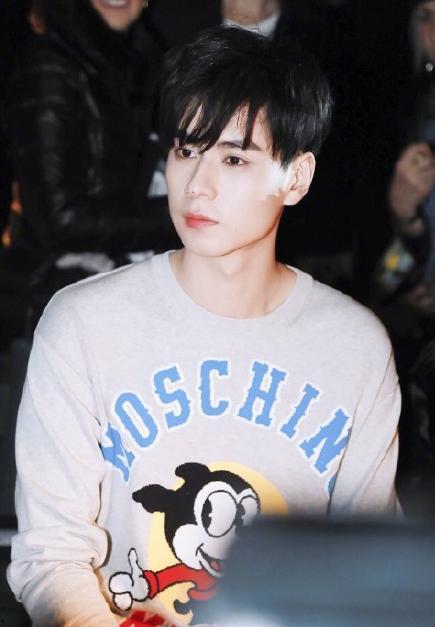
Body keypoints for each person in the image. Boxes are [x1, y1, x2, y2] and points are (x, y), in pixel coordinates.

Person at [8, 26, 400, 626]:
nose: (197, 185)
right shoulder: (83, 324)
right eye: (186, 151)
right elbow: (51, 552)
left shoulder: (354, 348)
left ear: (295, 178)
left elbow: (365, 568)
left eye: (234, 158)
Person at [1, 0, 177, 346]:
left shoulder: (146, 59)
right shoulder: (50, 67)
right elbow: (59, 221)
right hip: (52, 307)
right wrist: (184, 214)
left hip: (121, 292)